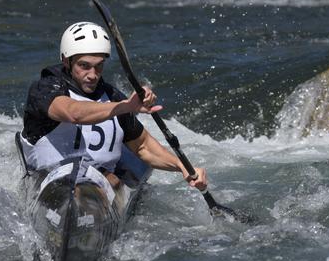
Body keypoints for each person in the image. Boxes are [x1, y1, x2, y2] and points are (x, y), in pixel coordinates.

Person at [20, 21, 207, 192]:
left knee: (113, 180)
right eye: (84, 65)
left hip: (97, 186)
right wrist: (124, 107)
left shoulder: (112, 96)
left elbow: (142, 146)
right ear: (66, 61)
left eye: (99, 66)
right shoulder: (45, 88)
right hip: (49, 178)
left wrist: (182, 166)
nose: (93, 74)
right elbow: (73, 112)